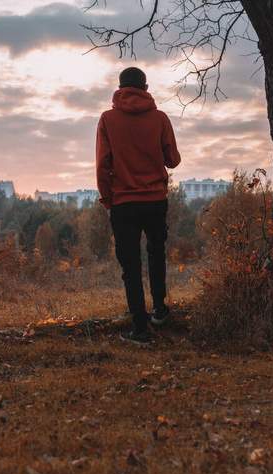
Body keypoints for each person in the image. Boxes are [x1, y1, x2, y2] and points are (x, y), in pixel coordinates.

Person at [95, 66, 181, 345]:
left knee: (130, 265)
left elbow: (102, 166)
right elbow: (173, 159)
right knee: (156, 254)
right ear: (145, 88)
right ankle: (159, 309)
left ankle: (140, 328)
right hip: (155, 200)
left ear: (120, 89)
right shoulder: (160, 118)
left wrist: (108, 199)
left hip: (123, 203)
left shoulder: (107, 119)